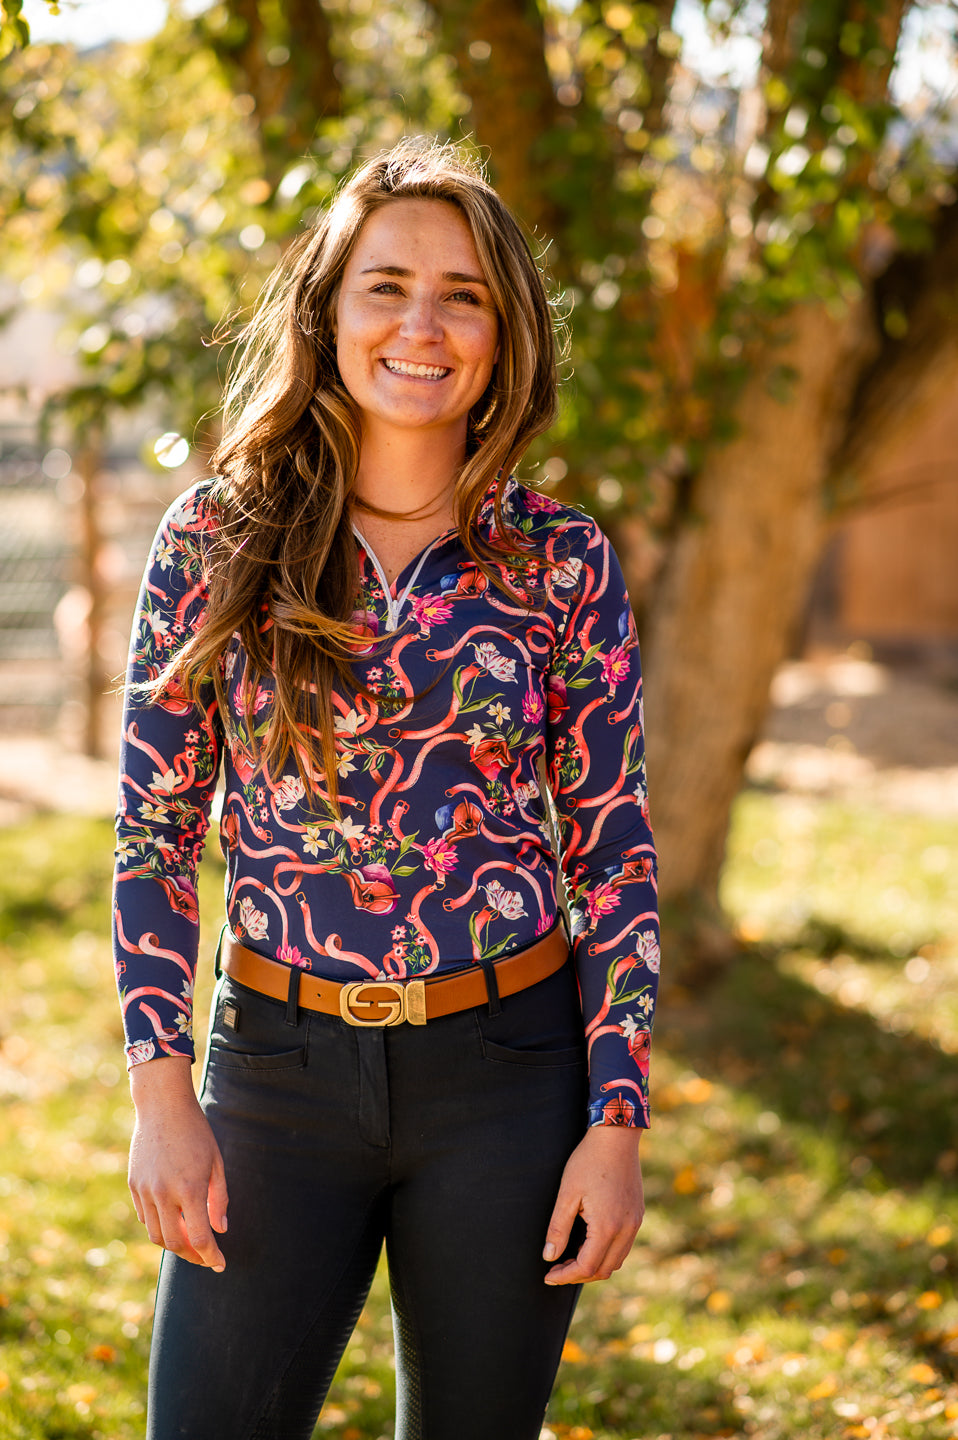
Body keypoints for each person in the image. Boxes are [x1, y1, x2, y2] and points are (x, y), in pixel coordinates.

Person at [113, 137, 660, 1440]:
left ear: (503, 333)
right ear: (326, 311)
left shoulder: (560, 560)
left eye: (463, 292)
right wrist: (161, 1095)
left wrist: (616, 1118)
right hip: (276, 1076)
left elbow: (615, 850)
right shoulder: (214, 539)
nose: (423, 322)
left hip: (508, 1081)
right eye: (386, 284)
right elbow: (152, 833)